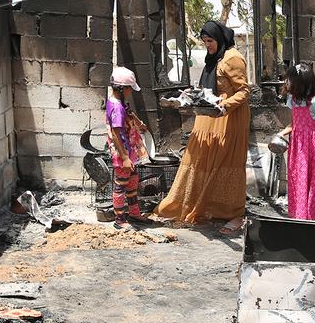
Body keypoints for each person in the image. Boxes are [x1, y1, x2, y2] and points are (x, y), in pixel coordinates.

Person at [155, 21, 250, 236]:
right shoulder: (214, 58)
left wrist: (224, 106)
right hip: (208, 116)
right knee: (200, 158)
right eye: (205, 41)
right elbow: (209, 88)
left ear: (220, 39)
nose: (207, 45)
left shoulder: (232, 58)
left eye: (210, 41)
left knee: (227, 161)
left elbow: (244, 92)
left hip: (229, 118)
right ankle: (198, 204)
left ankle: (233, 213)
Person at [276, 63, 315, 220]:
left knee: (313, 181)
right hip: (297, 146)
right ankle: (300, 217)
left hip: (313, 146)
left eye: (290, 80)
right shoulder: (293, 100)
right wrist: (281, 134)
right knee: (298, 179)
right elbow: (294, 123)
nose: (287, 82)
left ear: (300, 83)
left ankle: (311, 217)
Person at [106, 66, 154, 231]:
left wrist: (139, 123)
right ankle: (119, 218)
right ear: (123, 88)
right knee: (121, 184)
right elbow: (116, 133)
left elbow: (129, 114)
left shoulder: (120, 104)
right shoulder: (117, 108)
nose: (130, 92)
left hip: (128, 151)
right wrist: (125, 157)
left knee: (133, 181)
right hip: (122, 153)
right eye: (129, 89)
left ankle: (134, 213)